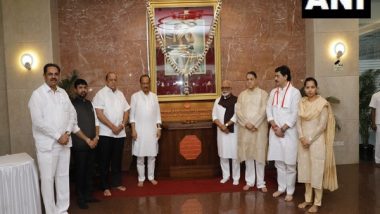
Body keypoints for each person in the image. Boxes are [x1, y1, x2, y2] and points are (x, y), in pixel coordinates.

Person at [28, 63, 90, 214]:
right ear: (44, 76)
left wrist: (67, 133)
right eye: (50, 74)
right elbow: (38, 122)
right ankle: (51, 212)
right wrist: (57, 136)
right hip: (47, 146)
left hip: (64, 143)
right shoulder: (37, 95)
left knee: (63, 177)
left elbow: (72, 114)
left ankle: (62, 210)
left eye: (56, 74)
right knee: (48, 181)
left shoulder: (63, 92)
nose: (53, 76)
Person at [297, 77, 338, 213]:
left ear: (317, 88)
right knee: (306, 170)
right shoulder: (301, 102)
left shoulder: (323, 103)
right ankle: (308, 199)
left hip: (316, 142)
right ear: (304, 88)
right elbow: (298, 122)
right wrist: (302, 137)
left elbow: (322, 126)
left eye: (312, 87)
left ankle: (317, 202)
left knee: (316, 171)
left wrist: (309, 139)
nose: (310, 90)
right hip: (303, 142)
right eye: (307, 87)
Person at [266, 65, 301, 201]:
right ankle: (281, 188)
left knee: (290, 164)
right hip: (275, 132)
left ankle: (290, 191)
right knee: (279, 163)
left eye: (277, 76)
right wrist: (274, 126)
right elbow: (268, 109)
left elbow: (295, 114)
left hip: (289, 134)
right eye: (275, 76)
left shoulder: (295, 92)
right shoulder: (273, 92)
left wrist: (283, 129)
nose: (275, 78)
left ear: (286, 76)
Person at [92, 72, 130, 196]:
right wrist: (112, 126)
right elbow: (99, 113)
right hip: (106, 133)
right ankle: (104, 186)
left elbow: (126, 111)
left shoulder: (120, 94)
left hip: (120, 133)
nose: (113, 82)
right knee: (104, 160)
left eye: (115, 79)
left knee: (116, 160)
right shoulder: (100, 94)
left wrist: (122, 125)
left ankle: (116, 183)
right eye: (111, 79)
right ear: (106, 81)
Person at [236, 71, 268, 192]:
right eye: (247, 79)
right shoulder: (242, 95)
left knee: (259, 156)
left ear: (256, 80)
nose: (249, 81)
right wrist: (247, 124)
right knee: (249, 155)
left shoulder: (263, 94)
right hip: (246, 129)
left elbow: (264, 110)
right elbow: (238, 111)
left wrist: (254, 123)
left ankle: (261, 183)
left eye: (251, 79)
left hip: (259, 129)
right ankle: (250, 181)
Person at [71, 79, 100, 209]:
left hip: (92, 144)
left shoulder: (90, 104)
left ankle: (89, 195)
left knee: (90, 171)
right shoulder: (71, 105)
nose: (83, 90)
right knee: (80, 172)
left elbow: (96, 122)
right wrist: (87, 140)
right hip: (80, 145)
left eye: (85, 87)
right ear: (75, 89)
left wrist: (96, 138)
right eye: (80, 87)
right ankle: (81, 198)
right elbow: (73, 125)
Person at [130, 74, 162, 187]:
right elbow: (132, 116)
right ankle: (141, 178)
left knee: (152, 156)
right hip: (139, 131)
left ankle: (151, 177)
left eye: (147, 83)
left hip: (152, 131)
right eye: (143, 83)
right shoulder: (135, 97)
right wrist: (133, 130)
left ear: (150, 83)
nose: (145, 85)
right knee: (140, 156)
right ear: (140, 84)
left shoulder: (154, 96)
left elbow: (158, 114)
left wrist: (159, 128)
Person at [212, 80, 240, 185]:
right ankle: (226, 176)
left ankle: (236, 177)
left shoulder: (236, 100)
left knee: (234, 155)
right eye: (223, 88)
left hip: (233, 132)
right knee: (223, 155)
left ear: (230, 88)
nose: (224, 89)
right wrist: (221, 126)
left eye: (227, 87)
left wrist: (227, 125)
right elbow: (214, 116)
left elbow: (237, 115)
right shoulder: (217, 100)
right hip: (221, 132)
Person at [370, 91, 380, 165]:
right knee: (379, 142)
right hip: (379, 122)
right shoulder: (375, 95)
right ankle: (378, 160)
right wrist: (373, 123)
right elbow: (373, 110)